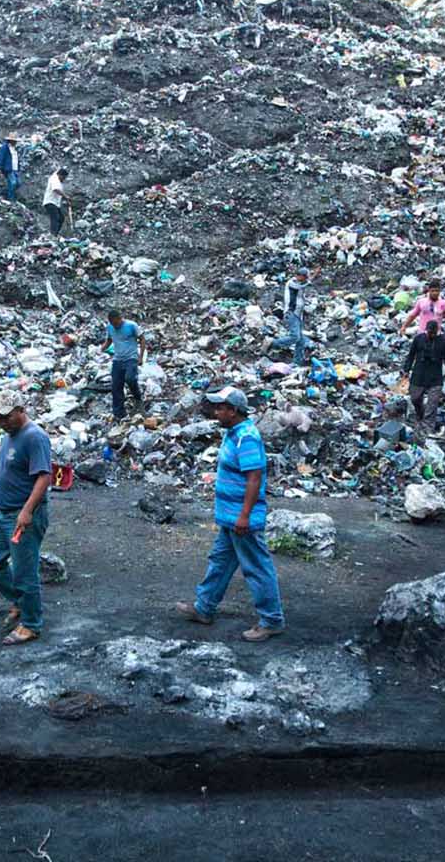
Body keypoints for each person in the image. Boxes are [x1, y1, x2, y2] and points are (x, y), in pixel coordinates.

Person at [175, 387, 283, 641]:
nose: (216, 412)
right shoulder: (233, 434)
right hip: (230, 517)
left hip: (241, 518)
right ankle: (204, 608)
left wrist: (244, 515)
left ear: (233, 411)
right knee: (220, 561)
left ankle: (272, 620)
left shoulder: (247, 438)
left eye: (220, 408)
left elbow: (255, 478)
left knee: (256, 567)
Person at [0, 390, 54, 646]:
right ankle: (21, 602)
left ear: (21, 411)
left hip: (24, 516)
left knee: (25, 571)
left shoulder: (34, 437)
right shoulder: (9, 436)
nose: (1, 422)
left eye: (6, 417)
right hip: (6, 513)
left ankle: (32, 623)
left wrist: (26, 511)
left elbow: (44, 476)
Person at [402, 318, 445, 431]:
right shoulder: (418, 339)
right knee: (415, 399)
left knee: (433, 403)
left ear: (437, 331)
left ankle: (427, 428)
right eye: (429, 332)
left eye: (433, 333)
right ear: (426, 330)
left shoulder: (444, 342)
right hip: (418, 374)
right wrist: (406, 369)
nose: (431, 335)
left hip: (435, 376)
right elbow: (411, 355)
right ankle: (420, 416)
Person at [104, 307, 145, 421]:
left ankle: (138, 398)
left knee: (130, 379)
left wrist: (140, 356)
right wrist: (102, 348)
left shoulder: (132, 326)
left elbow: (142, 339)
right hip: (118, 359)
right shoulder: (110, 327)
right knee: (116, 385)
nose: (115, 326)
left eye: (116, 323)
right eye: (112, 323)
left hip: (131, 358)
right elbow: (109, 340)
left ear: (120, 318)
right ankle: (119, 412)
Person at [271, 267, 313, 361]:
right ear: (299, 275)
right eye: (304, 277)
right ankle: (274, 343)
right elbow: (300, 287)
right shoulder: (291, 283)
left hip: (298, 315)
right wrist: (309, 281)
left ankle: (297, 362)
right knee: (295, 337)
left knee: (301, 340)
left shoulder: (300, 283)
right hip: (291, 313)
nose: (305, 279)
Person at [42, 166, 67, 234]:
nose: (64, 179)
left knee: (61, 218)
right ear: (60, 175)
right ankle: (53, 234)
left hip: (55, 203)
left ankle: (55, 234)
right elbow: (55, 189)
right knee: (55, 218)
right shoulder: (54, 179)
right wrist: (66, 196)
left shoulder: (58, 180)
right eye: (64, 177)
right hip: (50, 202)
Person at [0, 135, 20, 201]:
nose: (15, 142)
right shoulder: (5, 147)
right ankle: (11, 198)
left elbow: (16, 159)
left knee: (18, 183)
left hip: (15, 169)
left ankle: (7, 193)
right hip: (9, 169)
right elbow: (1, 157)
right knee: (13, 182)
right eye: (14, 141)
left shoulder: (15, 149)